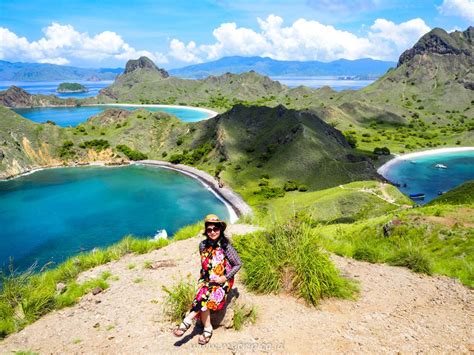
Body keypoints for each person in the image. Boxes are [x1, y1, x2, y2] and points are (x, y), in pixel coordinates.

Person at [172, 214, 242, 345]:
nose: (213, 232)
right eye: (209, 229)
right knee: (203, 292)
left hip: (223, 280)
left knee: (205, 294)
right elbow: (205, 264)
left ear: (220, 229)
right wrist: (203, 279)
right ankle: (208, 328)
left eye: (216, 229)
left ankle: (187, 321)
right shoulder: (202, 245)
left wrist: (225, 277)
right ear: (206, 231)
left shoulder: (226, 246)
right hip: (207, 279)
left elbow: (238, 264)